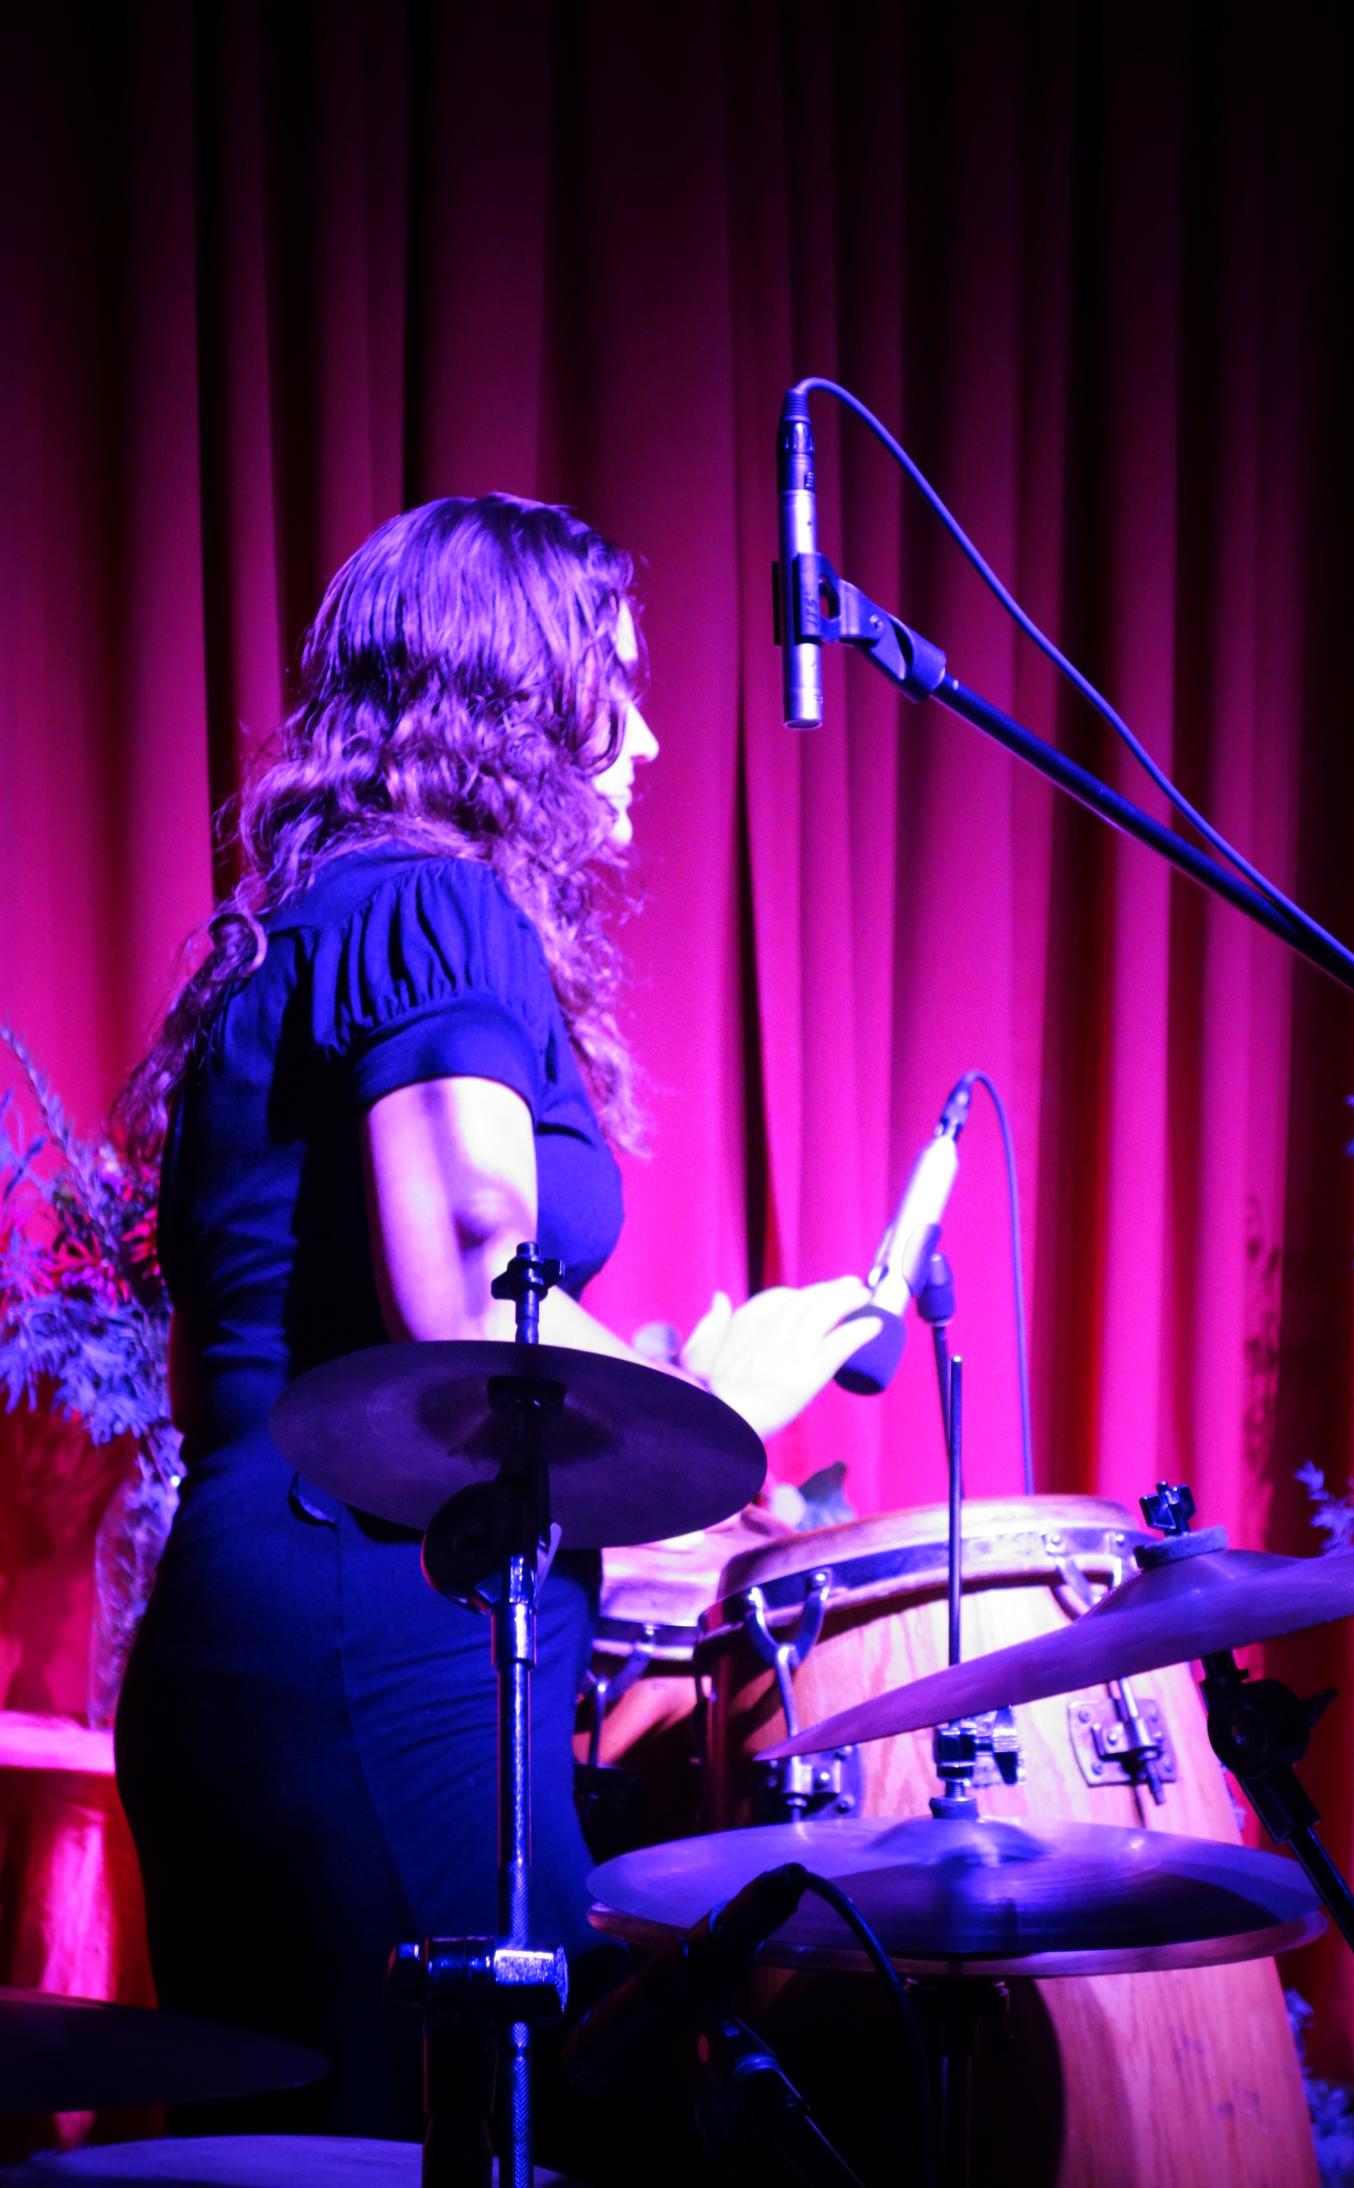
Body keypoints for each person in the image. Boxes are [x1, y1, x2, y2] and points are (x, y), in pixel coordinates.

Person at [115, 494, 876, 2154]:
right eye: (621, 684)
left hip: (253, 1629)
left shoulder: (305, 927)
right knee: (490, 2136)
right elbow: (466, 1304)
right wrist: (715, 1406)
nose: (651, 738)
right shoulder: (439, 910)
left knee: (324, 2149)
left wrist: (653, 1388)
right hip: (376, 1636)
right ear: (513, 698)